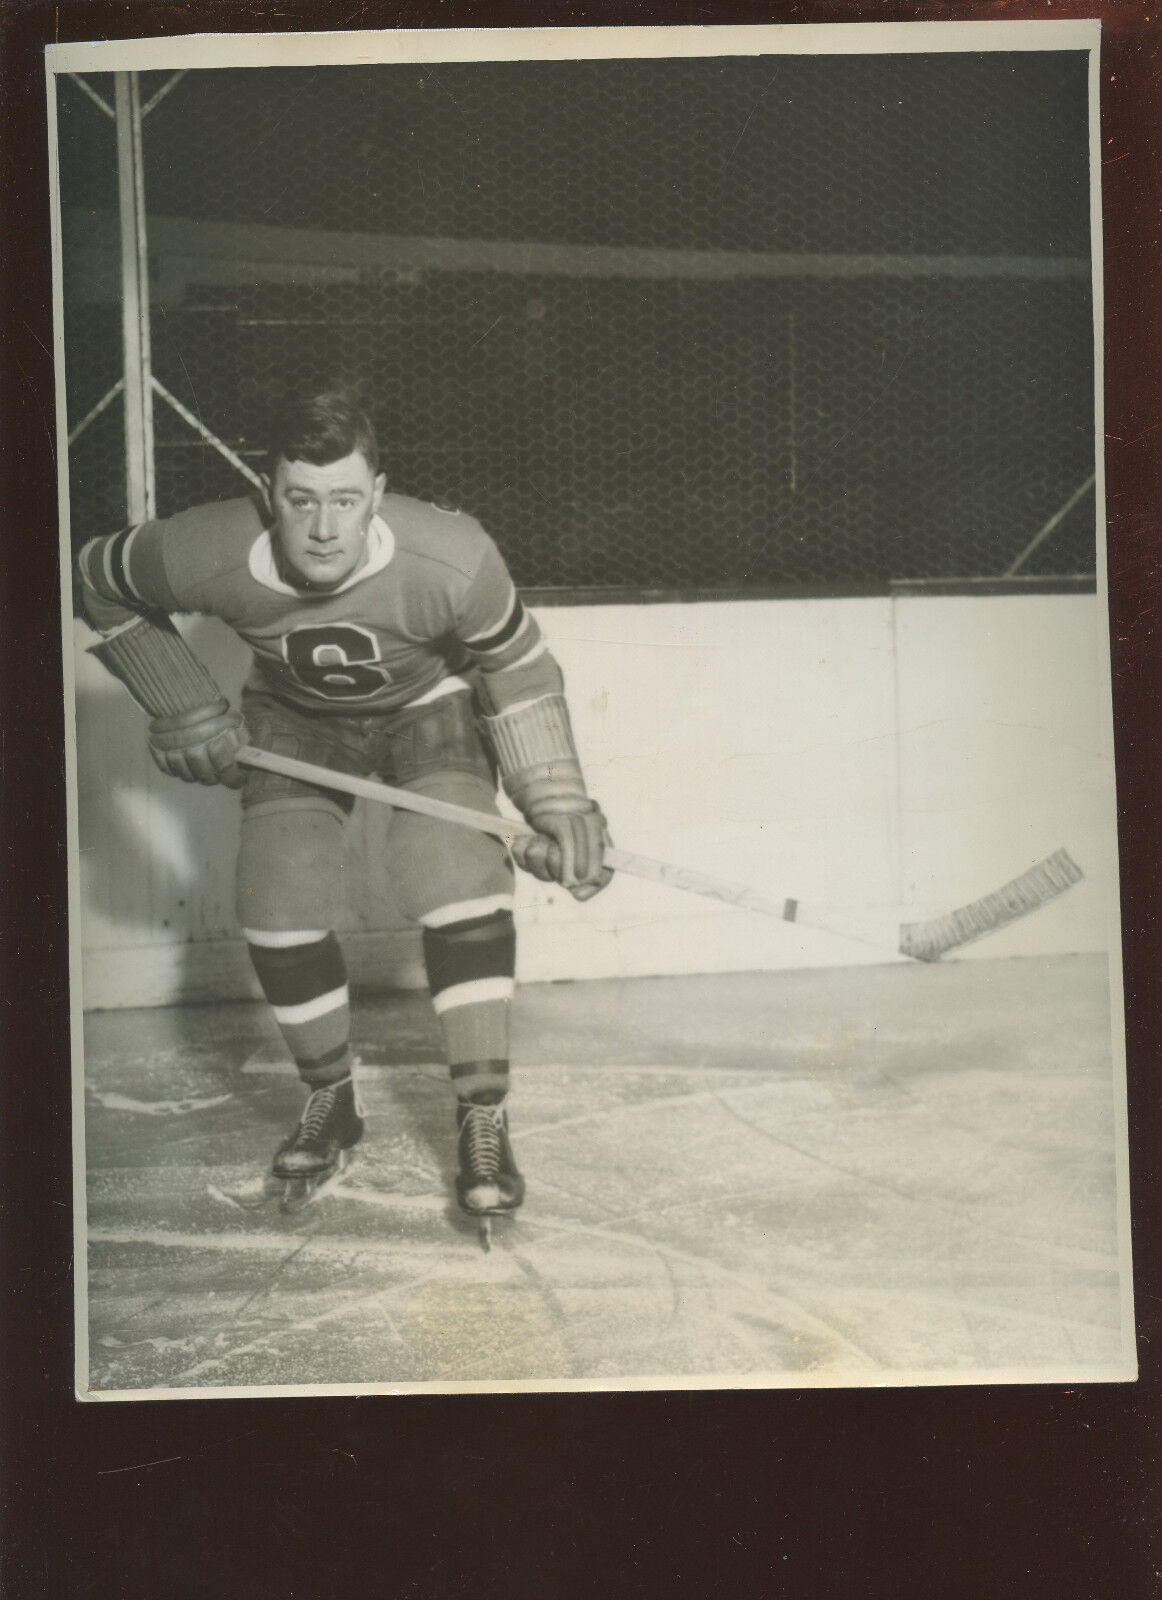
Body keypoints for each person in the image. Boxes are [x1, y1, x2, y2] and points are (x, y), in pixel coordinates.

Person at [78, 389, 611, 1238]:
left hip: (428, 709)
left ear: (378, 492)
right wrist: (177, 697)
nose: (324, 528)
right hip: (295, 723)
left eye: (345, 500)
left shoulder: (454, 554)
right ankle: (332, 1100)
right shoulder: (206, 545)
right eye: (301, 500)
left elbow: (516, 666)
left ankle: (482, 1118)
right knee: (277, 903)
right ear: (267, 493)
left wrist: (556, 798)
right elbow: (94, 578)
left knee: (453, 876)